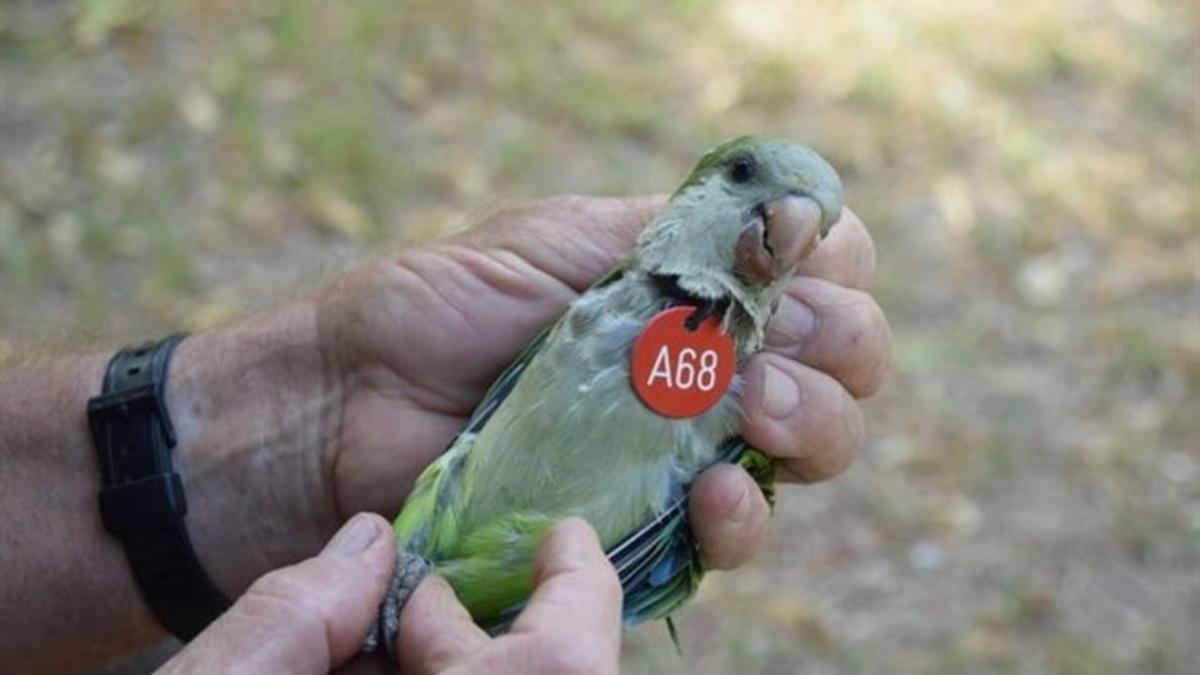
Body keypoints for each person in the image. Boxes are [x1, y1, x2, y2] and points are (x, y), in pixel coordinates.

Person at [0, 195, 889, 675]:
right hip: (422, 527)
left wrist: (326, 396)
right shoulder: (595, 298)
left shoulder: (743, 384)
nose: (781, 216)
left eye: (803, 216)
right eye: (744, 179)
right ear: (696, 191)